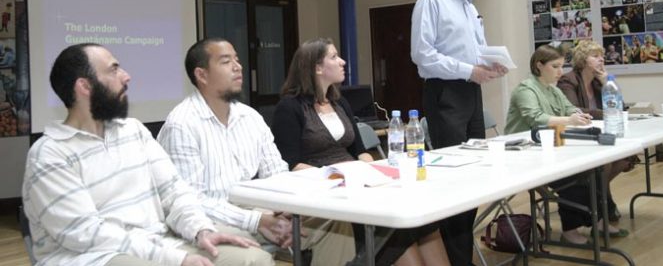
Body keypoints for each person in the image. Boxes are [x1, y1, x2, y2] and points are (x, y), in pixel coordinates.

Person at [22, 43, 271, 266]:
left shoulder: (133, 130)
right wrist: (175, 258)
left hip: (157, 241)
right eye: (114, 69)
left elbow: (174, 191)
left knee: (253, 259)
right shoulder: (49, 154)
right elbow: (85, 233)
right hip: (91, 256)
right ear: (85, 86)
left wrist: (200, 230)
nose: (126, 76)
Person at [158, 38, 355, 266]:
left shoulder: (249, 117)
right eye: (225, 62)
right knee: (254, 257)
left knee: (336, 222)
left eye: (237, 60)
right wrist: (258, 221)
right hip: (210, 220)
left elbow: (278, 174)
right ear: (201, 75)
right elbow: (192, 201)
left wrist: (286, 211)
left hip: (255, 209)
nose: (237, 66)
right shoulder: (182, 125)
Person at [272, 38, 451, 266]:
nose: (343, 62)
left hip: (358, 187)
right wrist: (338, 176)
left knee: (422, 221)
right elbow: (291, 164)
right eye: (334, 57)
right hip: (326, 196)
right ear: (317, 67)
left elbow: (361, 151)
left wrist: (369, 171)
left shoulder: (339, 102)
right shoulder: (290, 108)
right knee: (396, 228)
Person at [410, 0, 506, 265]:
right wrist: (470, 70)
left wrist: (491, 64)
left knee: (475, 174)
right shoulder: (431, 0)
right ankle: (454, 259)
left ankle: (461, 257)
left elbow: (475, 50)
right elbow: (423, 56)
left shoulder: (469, 4)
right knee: (454, 179)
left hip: (470, 91)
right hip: (444, 93)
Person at [505, 45, 628, 244]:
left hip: (548, 147)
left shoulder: (552, 91)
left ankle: (596, 220)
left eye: (562, 66)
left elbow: (569, 108)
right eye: (555, 67)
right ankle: (569, 231)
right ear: (539, 66)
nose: (560, 72)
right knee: (572, 176)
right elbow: (535, 118)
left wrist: (578, 115)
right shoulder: (525, 89)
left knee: (592, 170)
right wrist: (569, 121)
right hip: (522, 153)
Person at [557, 40, 636, 222]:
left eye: (602, 56)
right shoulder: (568, 80)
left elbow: (621, 107)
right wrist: (609, 113)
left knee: (624, 159)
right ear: (583, 60)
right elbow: (575, 109)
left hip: (599, 135)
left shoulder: (599, 81)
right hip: (578, 138)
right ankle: (604, 207)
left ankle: (597, 198)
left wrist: (606, 82)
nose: (601, 60)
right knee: (604, 165)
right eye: (595, 56)